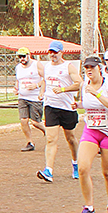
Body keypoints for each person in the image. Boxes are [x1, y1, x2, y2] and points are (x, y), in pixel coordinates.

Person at [74, 56, 108, 213]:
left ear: (99, 68)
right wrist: (78, 105)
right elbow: (87, 104)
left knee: (107, 173)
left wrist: (97, 93)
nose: (89, 70)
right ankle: (88, 208)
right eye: (86, 67)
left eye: (92, 67)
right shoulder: (83, 86)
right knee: (83, 168)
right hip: (91, 131)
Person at [36, 40, 83, 182]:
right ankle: (48, 170)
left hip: (67, 107)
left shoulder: (68, 67)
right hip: (51, 106)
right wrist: (42, 91)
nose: (52, 55)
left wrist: (63, 89)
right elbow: (45, 80)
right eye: (50, 52)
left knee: (70, 138)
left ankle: (76, 164)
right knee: (51, 139)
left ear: (61, 52)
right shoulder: (47, 67)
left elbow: (79, 84)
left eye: (55, 52)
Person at [14, 47, 46, 151]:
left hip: (35, 97)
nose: (22, 59)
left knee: (35, 122)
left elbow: (46, 79)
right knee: (23, 120)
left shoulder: (36, 65)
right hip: (22, 97)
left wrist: (37, 86)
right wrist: (16, 88)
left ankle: (48, 131)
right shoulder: (18, 67)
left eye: (23, 56)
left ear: (29, 55)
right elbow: (18, 80)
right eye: (20, 57)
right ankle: (30, 142)